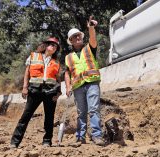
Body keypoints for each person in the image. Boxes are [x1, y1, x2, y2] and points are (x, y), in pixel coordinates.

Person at [10, 37, 62, 148]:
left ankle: (47, 141)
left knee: (49, 117)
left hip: (50, 92)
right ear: (46, 45)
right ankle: (14, 142)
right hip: (34, 90)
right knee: (26, 116)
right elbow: (27, 73)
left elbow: (58, 79)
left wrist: (58, 92)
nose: (53, 47)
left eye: (56, 46)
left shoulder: (56, 62)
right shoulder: (34, 56)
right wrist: (24, 87)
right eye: (52, 44)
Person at [64, 16, 105, 146]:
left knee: (93, 109)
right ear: (70, 41)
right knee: (81, 113)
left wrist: (91, 28)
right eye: (75, 37)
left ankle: (96, 135)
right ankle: (80, 137)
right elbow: (67, 72)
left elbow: (93, 39)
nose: (78, 38)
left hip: (92, 83)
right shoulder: (68, 57)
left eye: (79, 35)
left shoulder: (89, 48)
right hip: (77, 87)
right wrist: (68, 86)